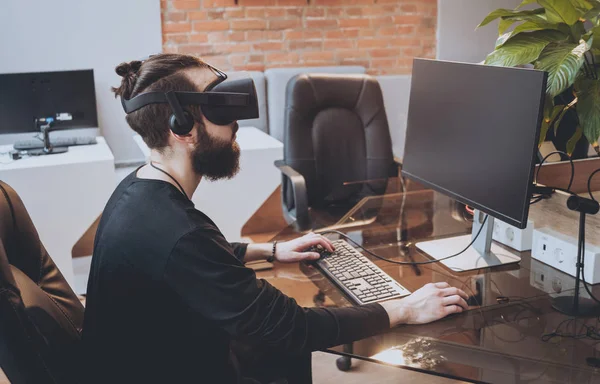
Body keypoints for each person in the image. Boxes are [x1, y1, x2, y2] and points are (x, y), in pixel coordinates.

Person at [82, 53, 469, 384]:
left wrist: (272, 250)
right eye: (219, 106)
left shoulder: (139, 190)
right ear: (181, 128)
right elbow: (292, 327)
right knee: (286, 345)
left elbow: (191, 261)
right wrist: (404, 309)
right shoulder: (178, 231)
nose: (235, 123)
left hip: (158, 358)